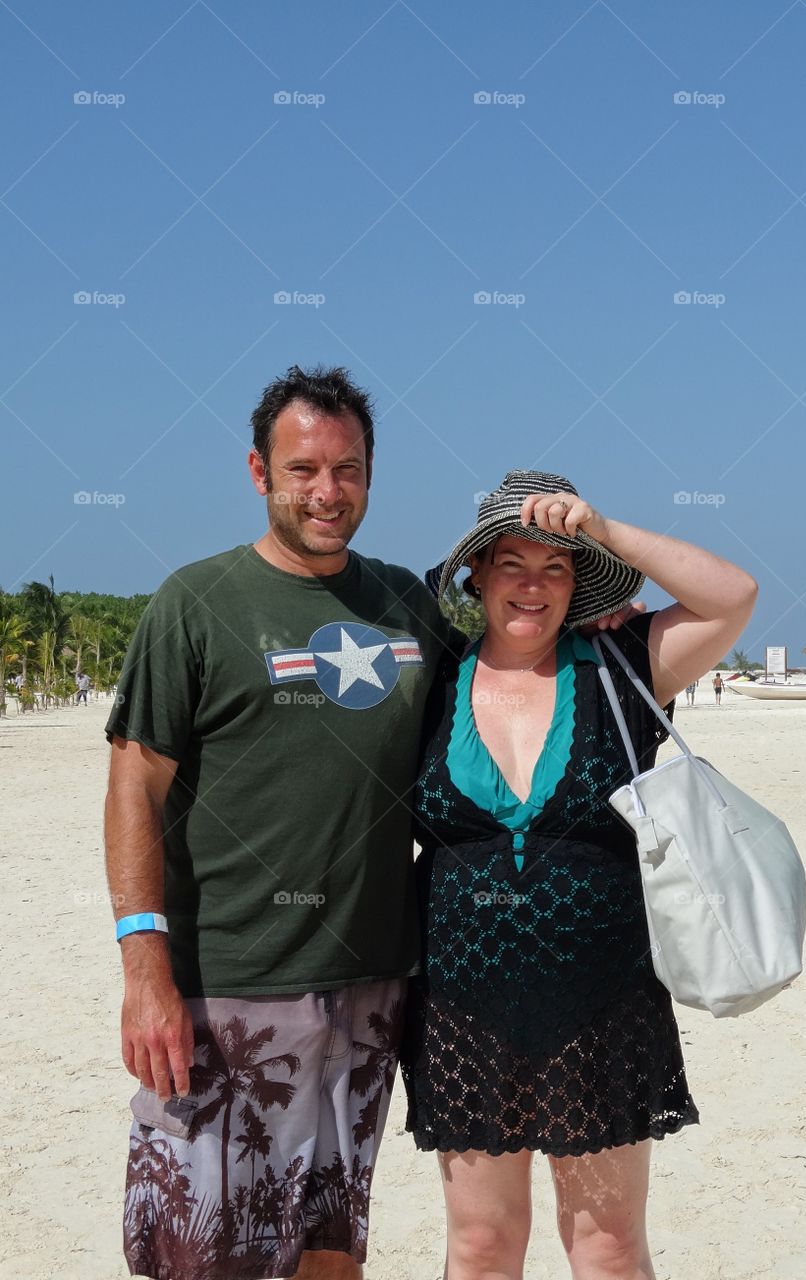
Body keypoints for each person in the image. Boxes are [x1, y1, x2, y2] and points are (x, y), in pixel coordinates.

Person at [104, 366, 464, 1280]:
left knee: (329, 1246)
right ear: (258, 473)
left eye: (347, 469)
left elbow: (513, 668)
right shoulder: (196, 603)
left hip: (372, 985)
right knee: (201, 1255)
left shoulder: (407, 607)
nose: (326, 492)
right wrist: (145, 969)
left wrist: (599, 606)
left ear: (371, 474)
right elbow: (133, 787)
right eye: (303, 469)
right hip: (227, 989)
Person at [400, 470, 757, 1280]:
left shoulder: (620, 669)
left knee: (607, 1246)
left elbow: (730, 596)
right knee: (481, 1246)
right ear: (477, 575)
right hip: (463, 1009)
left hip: (603, 1004)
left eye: (556, 567)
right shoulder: (428, 680)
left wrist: (604, 528)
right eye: (512, 564)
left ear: (579, 581)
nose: (531, 586)